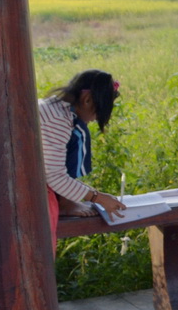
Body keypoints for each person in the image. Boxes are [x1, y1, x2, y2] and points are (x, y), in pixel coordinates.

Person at [39, 69, 126, 243]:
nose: (94, 119)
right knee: (80, 134)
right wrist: (98, 197)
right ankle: (65, 203)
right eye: (97, 113)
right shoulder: (58, 120)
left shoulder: (55, 108)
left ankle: (65, 200)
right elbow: (55, 176)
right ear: (86, 100)